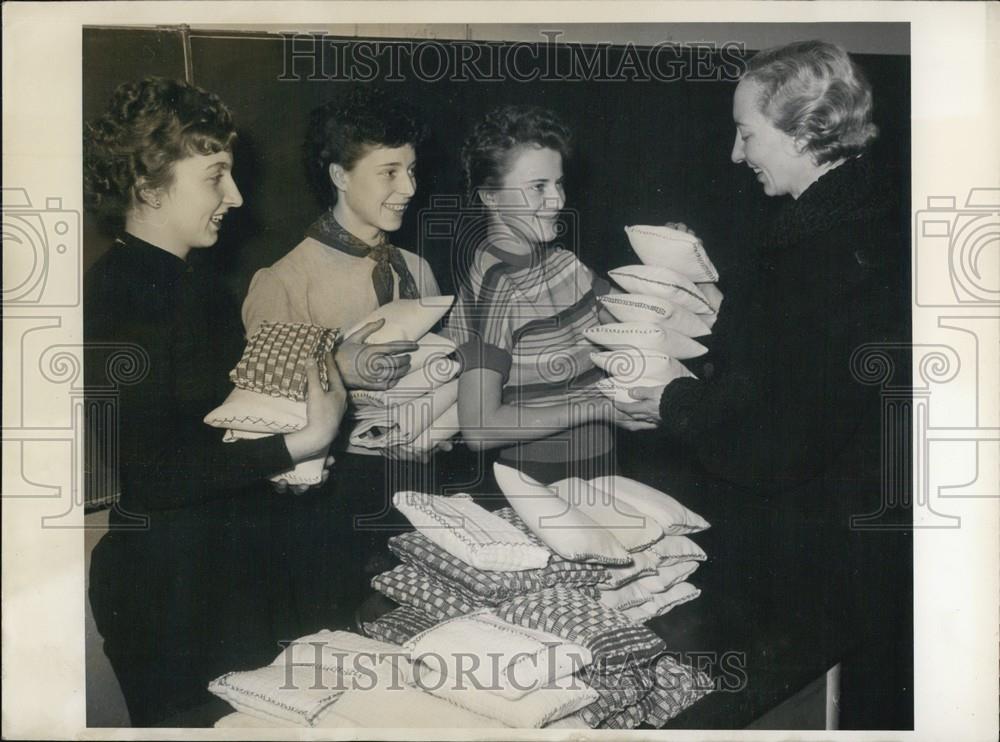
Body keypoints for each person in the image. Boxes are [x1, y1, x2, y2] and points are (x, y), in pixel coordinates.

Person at [614, 41, 911, 727]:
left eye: (747, 133)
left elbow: (779, 442)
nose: (735, 154)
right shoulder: (857, 217)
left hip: (822, 551)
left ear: (806, 128)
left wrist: (669, 399)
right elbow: (795, 371)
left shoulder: (825, 252)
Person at [83, 77, 347, 726]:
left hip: (220, 573)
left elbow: (210, 435)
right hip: (166, 596)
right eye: (215, 176)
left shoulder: (192, 283)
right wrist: (300, 442)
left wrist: (283, 467)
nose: (235, 196)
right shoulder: (123, 295)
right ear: (147, 183)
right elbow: (150, 473)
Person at [240, 87, 448, 618]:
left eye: (412, 170)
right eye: (389, 172)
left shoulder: (416, 268)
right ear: (338, 175)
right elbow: (268, 425)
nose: (409, 187)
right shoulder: (285, 282)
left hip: (422, 492)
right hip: (334, 513)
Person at [448, 105, 655, 488]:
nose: (557, 200)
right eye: (537, 187)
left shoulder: (563, 263)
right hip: (537, 482)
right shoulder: (494, 287)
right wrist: (599, 407)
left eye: (558, 184)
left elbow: (633, 328)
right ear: (490, 197)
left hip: (601, 467)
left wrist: (664, 269)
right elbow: (479, 427)